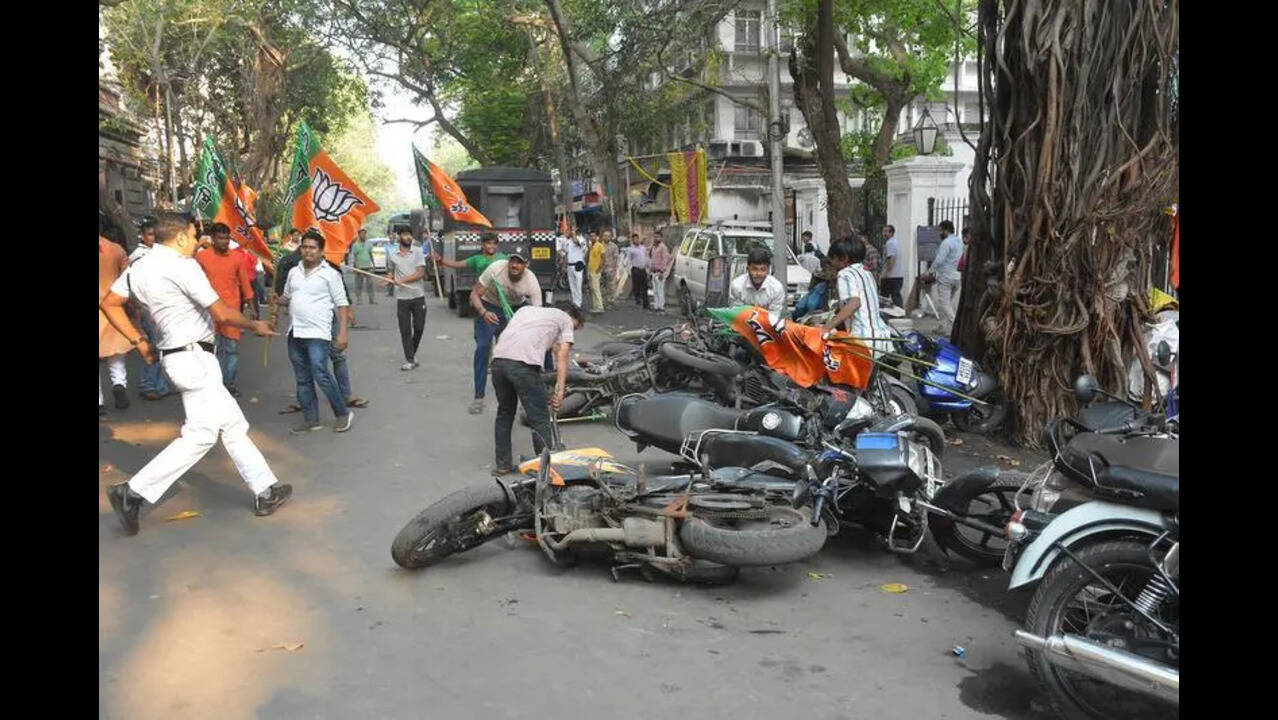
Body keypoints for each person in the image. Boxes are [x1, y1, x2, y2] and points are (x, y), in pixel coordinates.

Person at [100, 211, 290, 534]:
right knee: (201, 436)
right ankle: (132, 493)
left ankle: (265, 489)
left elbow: (109, 303)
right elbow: (221, 313)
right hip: (194, 359)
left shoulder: (139, 267)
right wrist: (254, 324)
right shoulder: (183, 266)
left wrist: (139, 341)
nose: (196, 241)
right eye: (193, 235)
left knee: (232, 425)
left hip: (179, 359)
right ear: (180, 237)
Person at [490, 302, 585, 475]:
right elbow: (562, 355)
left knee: (505, 413)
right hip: (523, 365)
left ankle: (503, 465)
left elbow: (548, 345)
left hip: (498, 362)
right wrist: (560, 390)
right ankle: (545, 470)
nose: (573, 332)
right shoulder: (565, 319)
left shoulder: (526, 311)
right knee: (539, 418)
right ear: (571, 317)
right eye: (575, 327)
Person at [276, 230, 355, 434]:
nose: (308, 251)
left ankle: (342, 413)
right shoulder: (293, 272)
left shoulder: (330, 274)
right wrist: (277, 300)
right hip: (295, 332)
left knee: (321, 374)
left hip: (318, 333)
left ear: (321, 251)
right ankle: (311, 419)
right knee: (302, 378)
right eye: (305, 247)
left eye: (312, 248)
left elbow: (342, 304)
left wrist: (342, 333)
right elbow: (287, 297)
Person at [468, 252, 544, 414]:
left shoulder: (531, 281)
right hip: (489, 305)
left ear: (526, 265)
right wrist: (483, 312)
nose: (514, 265)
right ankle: (478, 397)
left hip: (515, 308)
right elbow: (474, 294)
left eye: (519, 262)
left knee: (518, 352)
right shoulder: (495, 269)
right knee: (483, 347)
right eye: (512, 261)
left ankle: (529, 395)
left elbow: (537, 315)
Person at [195, 223, 255, 397]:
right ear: (213, 239)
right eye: (220, 238)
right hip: (208, 311)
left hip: (231, 312)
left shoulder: (237, 258)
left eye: (227, 238)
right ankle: (210, 384)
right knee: (208, 350)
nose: (224, 242)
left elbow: (245, 283)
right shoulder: (202, 257)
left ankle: (228, 385)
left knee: (230, 349)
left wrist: (251, 308)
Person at [821, 237, 892, 358]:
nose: (832, 263)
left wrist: (827, 328)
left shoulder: (845, 274)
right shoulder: (867, 273)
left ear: (844, 259)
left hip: (863, 341)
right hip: (883, 339)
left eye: (833, 259)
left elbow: (854, 303)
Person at [129, 219, 173, 401]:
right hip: (147, 306)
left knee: (163, 344)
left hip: (161, 304)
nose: (153, 238)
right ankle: (147, 385)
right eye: (150, 234)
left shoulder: (159, 254)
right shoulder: (140, 257)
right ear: (142, 236)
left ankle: (160, 385)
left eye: (156, 234)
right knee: (155, 345)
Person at [385, 225, 428, 371]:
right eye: (404, 234)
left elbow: (420, 273)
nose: (408, 237)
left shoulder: (418, 252)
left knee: (419, 328)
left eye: (410, 234)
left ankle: (412, 353)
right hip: (402, 299)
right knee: (405, 330)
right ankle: (410, 359)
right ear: (399, 237)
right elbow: (391, 272)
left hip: (418, 296)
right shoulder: (393, 255)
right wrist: (388, 279)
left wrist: (402, 280)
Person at [100, 222, 132, 415]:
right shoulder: (116, 249)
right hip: (113, 306)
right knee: (116, 353)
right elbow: (127, 275)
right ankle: (119, 383)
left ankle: (99, 402)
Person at [923, 220, 963, 336]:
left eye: (940, 230)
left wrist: (929, 272)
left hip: (946, 277)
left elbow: (939, 260)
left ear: (946, 230)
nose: (939, 233)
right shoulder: (959, 241)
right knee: (947, 304)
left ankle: (955, 326)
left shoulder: (946, 243)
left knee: (945, 304)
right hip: (957, 277)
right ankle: (942, 327)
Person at [729, 247, 787, 318]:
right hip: (743, 322)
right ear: (748, 269)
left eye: (763, 269)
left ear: (768, 270)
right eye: (754, 269)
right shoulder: (737, 285)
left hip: (767, 323)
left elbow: (774, 316)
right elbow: (737, 314)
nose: (758, 273)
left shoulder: (776, 288)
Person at [349, 228, 376, 304]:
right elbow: (353, 256)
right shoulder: (355, 245)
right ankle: (359, 300)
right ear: (359, 235)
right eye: (362, 234)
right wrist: (355, 267)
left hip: (368, 267)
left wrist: (373, 264)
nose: (363, 235)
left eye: (364, 234)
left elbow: (370, 254)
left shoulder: (369, 244)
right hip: (359, 267)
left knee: (370, 284)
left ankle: (372, 299)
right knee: (359, 284)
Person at [648, 233, 673, 313]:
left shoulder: (663, 247)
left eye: (658, 237)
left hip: (660, 272)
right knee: (655, 290)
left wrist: (662, 272)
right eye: (655, 237)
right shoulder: (653, 247)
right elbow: (652, 259)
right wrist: (650, 271)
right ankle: (656, 306)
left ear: (661, 238)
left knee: (660, 290)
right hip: (654, 271)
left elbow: (665, 260)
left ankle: (661, 306)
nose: (656, 238)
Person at [881, 224, 904, 308]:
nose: (884, 233)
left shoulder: (890, 243)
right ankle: (901, 312)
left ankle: (884, 313)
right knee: (896, 296)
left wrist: (886, 273)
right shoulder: (896, 242)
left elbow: (890, 259)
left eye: (886, 231)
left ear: (891, 233)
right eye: (883, 231)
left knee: (884, 297)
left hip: (890, 276)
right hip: (898, 275)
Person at [564, 231, 587, 308]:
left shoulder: (581, 239)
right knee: (572, 285)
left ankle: (578, 303)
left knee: (578, 284)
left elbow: (577, 243)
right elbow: (566, 253)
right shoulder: (568, 241)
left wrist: (573, 235)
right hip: (569, 265)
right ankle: (574, 301)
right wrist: (564, 265)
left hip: (578, 264)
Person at [628, 234, 651, 309]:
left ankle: (646, 303)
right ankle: (637, 298)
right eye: (634, 239)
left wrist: (649, 267)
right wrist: (629, 270)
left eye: (637, 239)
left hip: (643, 269)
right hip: (635, 269)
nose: (636, 240)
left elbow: (647, 258)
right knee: (636, 286)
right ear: (632, 240)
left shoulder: (643, 248)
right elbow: (629, 260)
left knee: (645, 286)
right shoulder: (631, 249)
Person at [587, 231, 606, 314]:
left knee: (596, 289)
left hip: (596, 271)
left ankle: (600, 307)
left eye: (594, 236)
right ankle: (595, 306)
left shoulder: (600, 246)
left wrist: (599, 269)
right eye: (591, 236)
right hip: (590, 270)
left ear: (597, 237)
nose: (592, 238)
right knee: (592, 289)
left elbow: (603, 258)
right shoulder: (591, 246)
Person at [602, 230, 619, 306]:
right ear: (603, 236)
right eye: (605, 236)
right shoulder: (600, 245)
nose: (606, 237)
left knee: (611, 286)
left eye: (608, 236)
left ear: (610, 237)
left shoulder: (614, 246)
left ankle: (611, 300)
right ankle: (603, 301)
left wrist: (614, 268)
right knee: (603, 286)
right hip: (601, 269)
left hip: (610, 269)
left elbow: (615, 258)